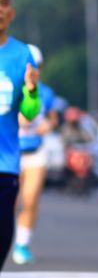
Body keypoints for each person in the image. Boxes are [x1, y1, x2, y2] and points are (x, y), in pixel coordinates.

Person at [0, 0, 40, 271]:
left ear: (12, 12)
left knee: (3, 234)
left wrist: (32, 91)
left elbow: (28, 114)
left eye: (4, 4)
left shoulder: (22, 55)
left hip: (5, 163)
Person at [13, 45, 58, 265]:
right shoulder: (9, 89)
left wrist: (47, 125)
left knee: (30, 200)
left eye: (36, 66)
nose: (32, 70)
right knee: (10, 202)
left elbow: (53, 119)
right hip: (10, 153)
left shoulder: (46, 93)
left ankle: (21, 244)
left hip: (35, 154)